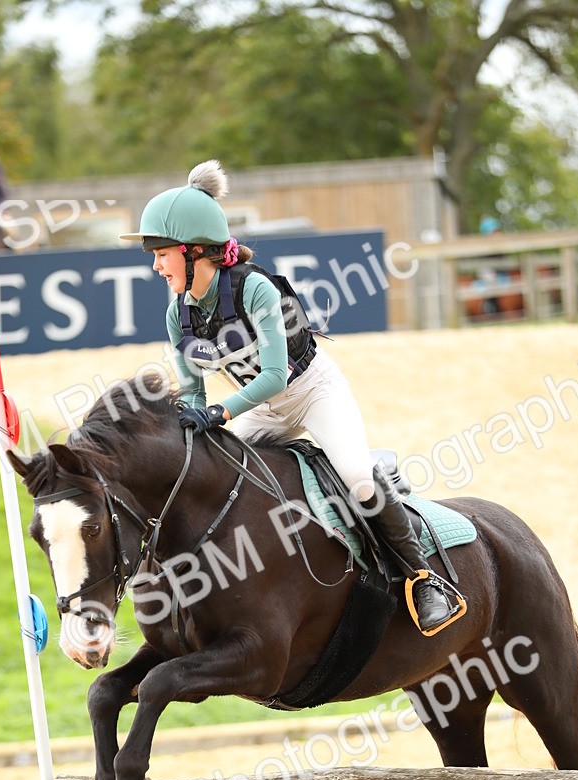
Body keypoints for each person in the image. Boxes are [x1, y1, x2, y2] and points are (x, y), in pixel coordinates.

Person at [121, 160, 462, 635]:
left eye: (161, 254)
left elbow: (276, 375)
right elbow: (193, 391)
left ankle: (424, 580)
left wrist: (218, 412)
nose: (156, 266)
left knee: (358, 479)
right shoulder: (178, 314)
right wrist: (187, 426)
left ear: (194, 250)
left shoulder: (254, 289)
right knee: (207, 476)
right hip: (260, 409)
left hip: (312, 392)